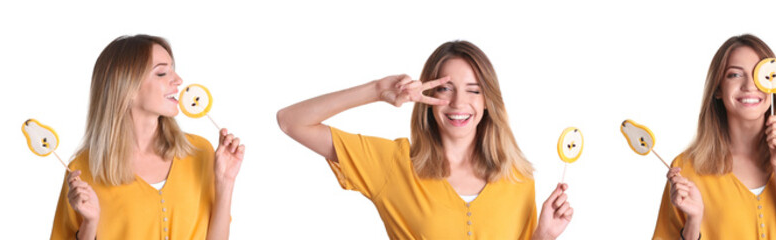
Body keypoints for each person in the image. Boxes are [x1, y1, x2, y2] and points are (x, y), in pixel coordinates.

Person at [277, 40, 572, 239]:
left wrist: (542, 237)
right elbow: (291, 121)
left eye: (473, 90)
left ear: (487, 101)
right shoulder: (393, 164)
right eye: (445, 89)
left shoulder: (518, 177)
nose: (458, 103)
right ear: (428, 96)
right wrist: (378, 90)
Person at [50, 34, 245, 240]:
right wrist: (90, 224)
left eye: (172, 69)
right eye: (161, 73)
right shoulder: (83, 170)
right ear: (127, 87)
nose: (178, 80)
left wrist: (225, 182)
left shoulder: (199, 151)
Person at [652, 34, 776, 239]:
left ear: (775, 83)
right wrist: (693, 222)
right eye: (735, 75)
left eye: (761, 75)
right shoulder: (686, 168)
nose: (750, 85)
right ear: (718, 88)